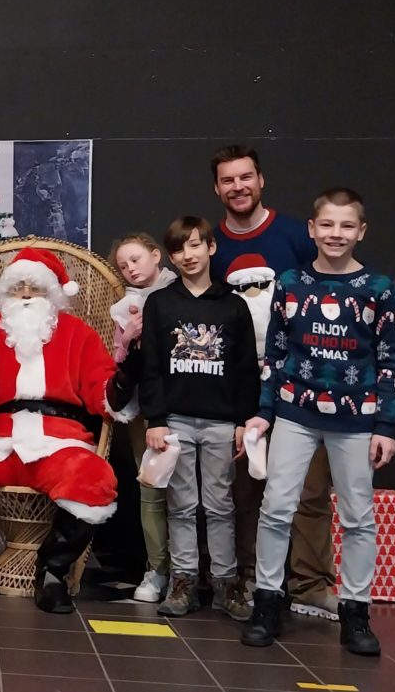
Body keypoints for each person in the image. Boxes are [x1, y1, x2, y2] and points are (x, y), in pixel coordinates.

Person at [0, 247, 138, 612]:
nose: (25, 297)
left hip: (58, 439)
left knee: (94, 479)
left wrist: (123, 382)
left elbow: (102, 390)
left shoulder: (77, 333)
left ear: (52, 294)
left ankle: (52, 572)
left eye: (34, 289)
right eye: (18, 288)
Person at [241, 188, 395, 656]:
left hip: (356, 421)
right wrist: (265, 412)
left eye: (346, 225)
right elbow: (275, 354)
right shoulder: (290, 283)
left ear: (361, 232)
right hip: (295, 414)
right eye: (328, 224)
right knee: (276, 508)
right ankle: (267, 602)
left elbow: (393, 360)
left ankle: (355, 613)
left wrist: (385, 426)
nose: (336, 234)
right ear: (312, 229)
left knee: (358, 518)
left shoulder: (380, 289)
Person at [209, 144, 336, 620]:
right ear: (217, 188)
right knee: (244, 490)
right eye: (228, 180)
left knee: (309, 489)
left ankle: (311, 584)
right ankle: (249, 578)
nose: (238, 187)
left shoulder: (296, 235)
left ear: (260, 180)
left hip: (301, 379)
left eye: (245, 177)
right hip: (239, 385)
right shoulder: (211, 245)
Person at [141, 217, 260, 620]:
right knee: (180, 504)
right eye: (178, 249)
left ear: (211, 247)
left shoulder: (234, 305)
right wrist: (156, 419)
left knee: (221, 504)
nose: (187, 255)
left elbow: (245, 368)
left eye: (195, 245)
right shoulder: (160, 303)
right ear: (170, 257)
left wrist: (244, 420)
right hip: (174, 420)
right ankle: (184, 581)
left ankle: (226, 583)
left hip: (222, 421)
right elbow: (151, 365)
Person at [108, 233, 177, 603]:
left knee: (191, 493)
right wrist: (127, 339)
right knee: (150, 489)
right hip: (144, 410)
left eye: (136, 259)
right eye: (123, 265)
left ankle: (193, 571)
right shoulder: (126, 308)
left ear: (156, 255)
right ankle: (157, 568)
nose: (130, 269)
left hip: (186, 404)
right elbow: (119, 362)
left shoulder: (180, 293)